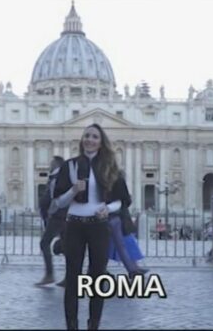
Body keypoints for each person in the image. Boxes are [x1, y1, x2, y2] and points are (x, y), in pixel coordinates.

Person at [53, 123, 130, 330]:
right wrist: (72, 191)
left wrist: (108, 208)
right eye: (86, 135)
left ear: (101, 142)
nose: (90, 139)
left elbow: (122, 200)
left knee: (97, 278)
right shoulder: (69, 166)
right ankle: (72, 325)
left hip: (98, 226)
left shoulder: (110, 168)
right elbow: (59, 202)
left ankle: (93, 324)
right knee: (73, 278)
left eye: (95, 136)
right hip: (74, 226)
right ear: (81, 140)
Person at [36, 156, 68, 287]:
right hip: (62, 216)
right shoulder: (56, 177)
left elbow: (55, 198)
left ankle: (49, 274)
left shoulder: (57, 177)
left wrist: (50, 211)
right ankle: (70, 277)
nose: (49, 165)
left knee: (44, 243)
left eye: (51, 163)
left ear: (57, 164)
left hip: (58, 216)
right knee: (67, 247)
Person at [106, 189, 148, 278]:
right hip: (118, 215)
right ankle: (133, 268)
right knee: (122, 243)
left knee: (117, 243)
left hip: (112, 213)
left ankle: (133, 267)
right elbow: (126, 199)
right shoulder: (118, 180)